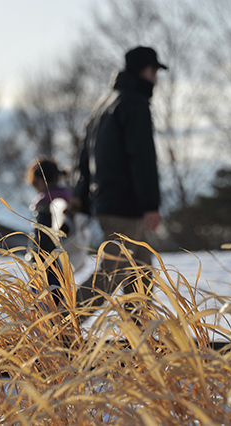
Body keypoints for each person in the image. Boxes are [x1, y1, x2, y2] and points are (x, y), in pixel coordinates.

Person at [70, 46, 167, 314]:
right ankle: (58, 329)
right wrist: (150, 204)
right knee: (110, 275)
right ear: (147, 71)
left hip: (107, 202)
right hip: (125, 205)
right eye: (156, 71)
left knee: (141, 272)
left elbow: (84, 156)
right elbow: (142, 158)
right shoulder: (134, 104)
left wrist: (81, 195)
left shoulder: (104, 105)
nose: (157, 79)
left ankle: (141, 339)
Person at [25, 158, 73, 307]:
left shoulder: (44, 202)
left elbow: (42, 236)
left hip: (46, 263)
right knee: (60, 303)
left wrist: (34, 259)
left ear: (39, 180)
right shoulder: (69, 197)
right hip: (63, 262)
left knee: (42, 307)